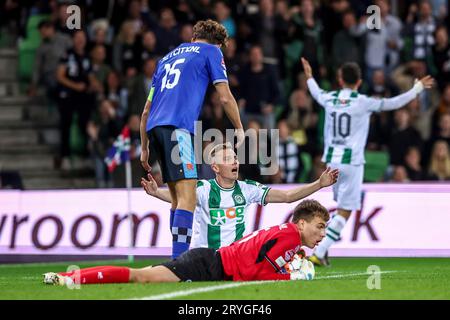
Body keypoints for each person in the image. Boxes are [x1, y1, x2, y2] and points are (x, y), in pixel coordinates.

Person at [300, 57, 435, 266]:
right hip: (352, 163)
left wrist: (309, 77)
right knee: (345, 210)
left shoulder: (329, 98)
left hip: (331, 163)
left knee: (337, 207)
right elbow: (393, 103)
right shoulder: (363, 102)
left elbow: (316, 92)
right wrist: (417, 88)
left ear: (339, 79)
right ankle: (321, 250)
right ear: (359, 82)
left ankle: (317, 246)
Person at [140, 20, 244, 259]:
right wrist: (238, 127)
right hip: (179, 129)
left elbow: (146, 110)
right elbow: (225, 97)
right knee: (189, 198)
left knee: (177, 199)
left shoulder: (164, 59)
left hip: (155, 129)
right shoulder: (212, 51)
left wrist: (144, 147)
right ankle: (179, 264)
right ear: (218, 42)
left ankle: (176, 259)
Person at [43, 199, 328, 285]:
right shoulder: (291, 236)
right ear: (301, 223)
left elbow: (260, 262)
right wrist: (287, 277)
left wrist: (286, 269)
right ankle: (69, 278)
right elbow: (254, 273)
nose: (322, 233)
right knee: (140, 277)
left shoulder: (287, 235)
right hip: (207, 265)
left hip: (210, 261)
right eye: (319, 226)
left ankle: (67, 276)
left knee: (142, 276)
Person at [141, 143, 338, 249]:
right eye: (228, 159)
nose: (235, 161)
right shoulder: (204, 188)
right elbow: (181, 199)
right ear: (215, 168)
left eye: (235, 157)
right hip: (204, 255)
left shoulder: (247, 189)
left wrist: (319, 184)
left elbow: (287, 196)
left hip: (234, 257)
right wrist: (157, 192)